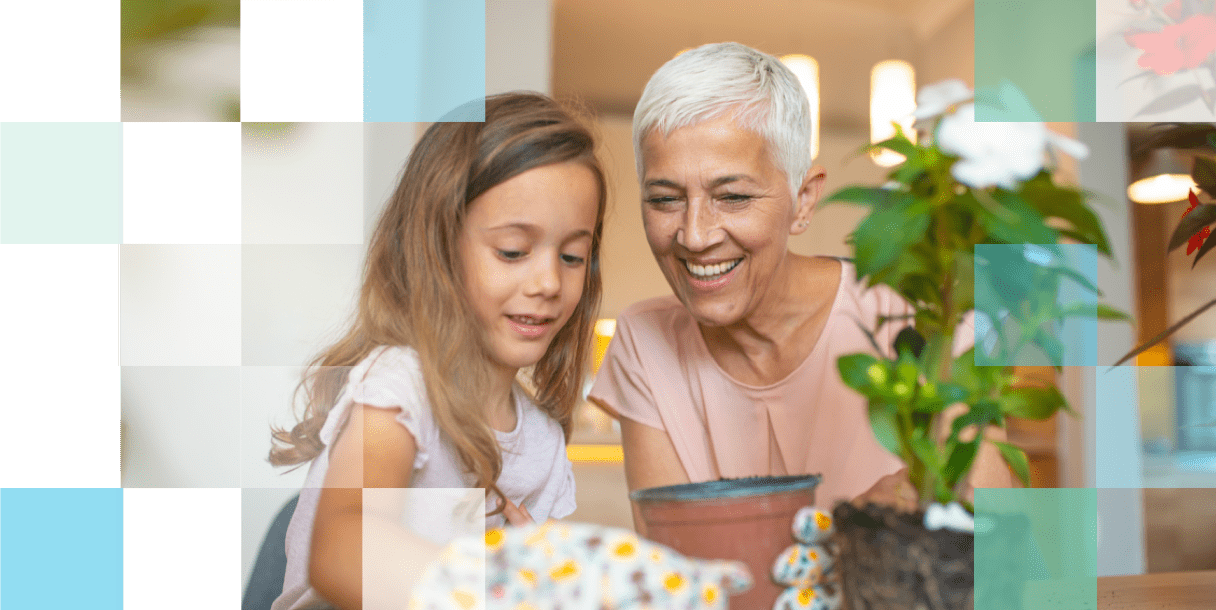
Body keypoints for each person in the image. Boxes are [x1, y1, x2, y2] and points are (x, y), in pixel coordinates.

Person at [588, 42, 1011, 535]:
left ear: (804, 200)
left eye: (733, 197)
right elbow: (678, 568)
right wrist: (853, 531)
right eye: (664, 199)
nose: (695, 235)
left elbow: (1002, 539)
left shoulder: (919, 311)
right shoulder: (645, 343)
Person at [267, 92, 608, 610]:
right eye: (513, 251)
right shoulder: (401, 386)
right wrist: (497, 588)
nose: (548, 281)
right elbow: (342, 550)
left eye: (572, 256)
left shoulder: (541, 444)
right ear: (438, 247)